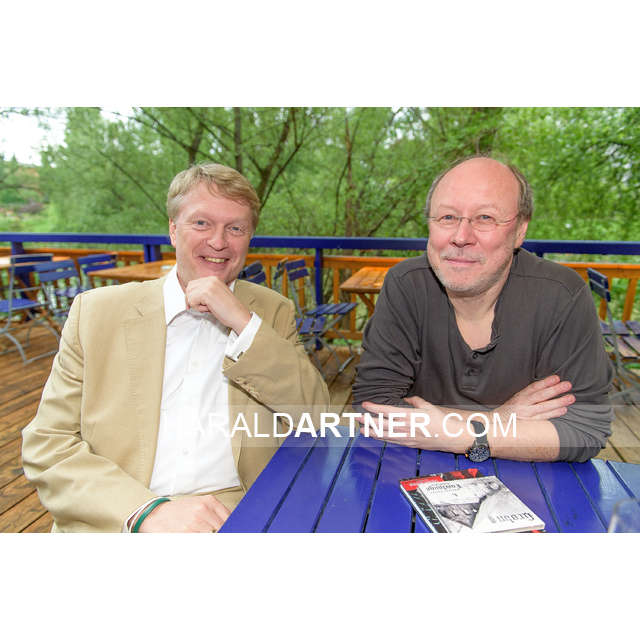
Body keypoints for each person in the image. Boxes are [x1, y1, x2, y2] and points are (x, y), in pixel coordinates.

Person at [22, 163, 330, 532]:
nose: (218, 241)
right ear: (172, 229)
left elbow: (315, 415)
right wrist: (144, 512)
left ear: (250, 237)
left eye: (236, 228)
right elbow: (48, 443)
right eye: (201, 223)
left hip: (232, 511)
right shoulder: (97, 313)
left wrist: (244, 324)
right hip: (117, 513)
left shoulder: (271, 312)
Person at [352, 156, 612, 463]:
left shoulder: (562, 295)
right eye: (447, 217)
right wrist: (498, 420)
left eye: (485, 218)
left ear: (520, 231)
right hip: (410, 469)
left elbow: (585, 429)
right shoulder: (406, 284)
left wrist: (462, 433)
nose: (461, 237)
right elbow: (374, 409)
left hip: (533, 482)